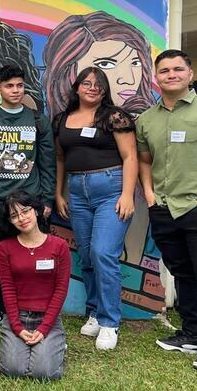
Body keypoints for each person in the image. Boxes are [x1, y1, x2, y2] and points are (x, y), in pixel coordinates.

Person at [136, 49, 197, 373]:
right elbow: (144, 160)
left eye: (177, 69)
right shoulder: (147, 119)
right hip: (165, 208)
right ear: (156, 77)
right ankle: (193, 334)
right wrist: (149, 193)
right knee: (183, 273)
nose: (171, 75)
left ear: (190, 73)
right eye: (164, 70)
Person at [53, 66, 137, 350]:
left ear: (104, 89)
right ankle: (93, 312)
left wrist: (127, 195)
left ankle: (110, 322)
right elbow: (61, 159)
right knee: (87, 255)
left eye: (98, 84)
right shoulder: (62, 120)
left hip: (110, 189)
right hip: (76, 193)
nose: (92, 87)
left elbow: (130, 156)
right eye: (86, 83)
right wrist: (59, 193)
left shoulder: (115, 117)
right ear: (76, 87)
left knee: (104, 253)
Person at [0, 65, 56, 330]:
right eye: (9, 86)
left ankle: (34, 305)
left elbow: (48, 162)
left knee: (33, 255)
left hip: (30, 202)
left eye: (19, 85)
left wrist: (48, 200)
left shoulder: (38, 120)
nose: (15, 91)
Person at [0, 191, 70, 380]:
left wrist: (44, 328)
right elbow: (7, 289)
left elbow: (61, 290)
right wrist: (18, 327)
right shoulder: (5, 248)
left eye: (25, 211)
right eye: (14, 216)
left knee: (44, 372)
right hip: (18, 317)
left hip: (48, 318)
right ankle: (28, 346)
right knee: (13, 369)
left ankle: (56, 344)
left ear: (36, 211)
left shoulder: (59, 246)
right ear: (10, 221)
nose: (21, 218)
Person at [43, 11, 156, 119]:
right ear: (67, 71)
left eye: (136, 63)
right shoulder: (61, 121)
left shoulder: (135, 121)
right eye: (106, 64)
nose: (129, 80)